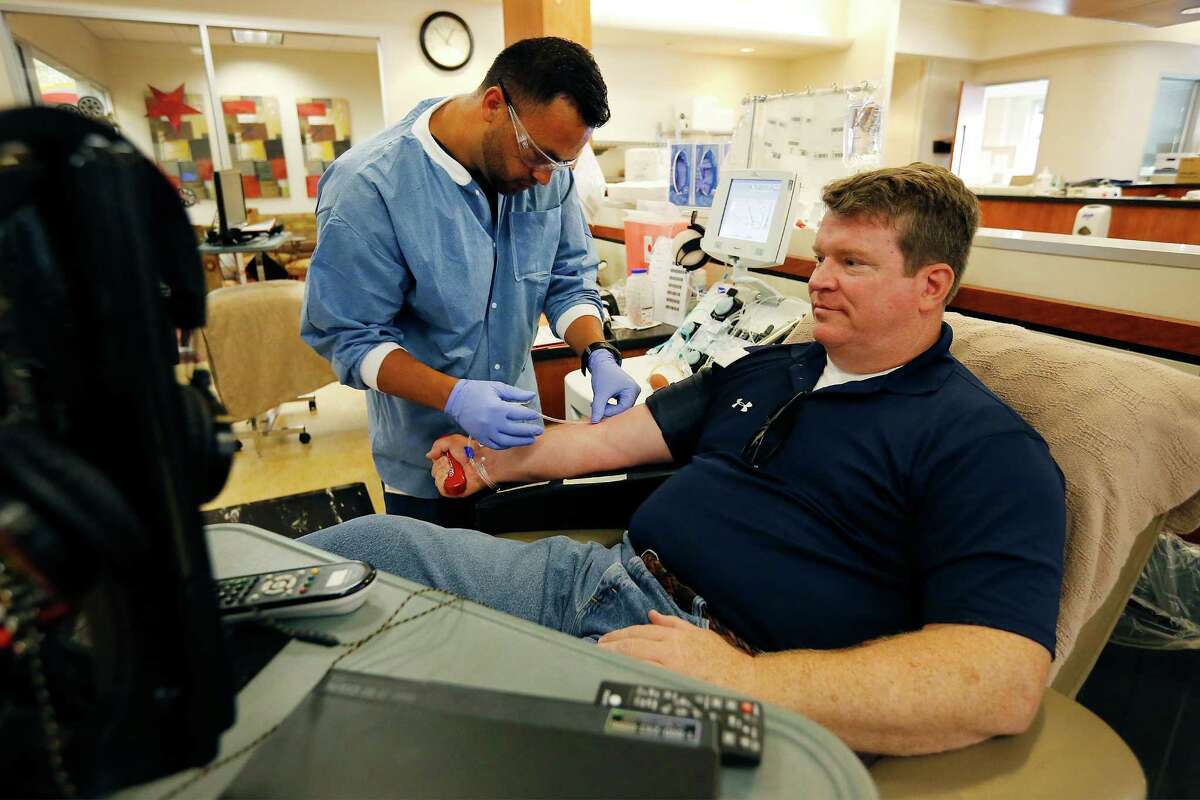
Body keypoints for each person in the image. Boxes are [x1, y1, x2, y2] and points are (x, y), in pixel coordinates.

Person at [300, 164, 1066, 756]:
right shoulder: (773, 368)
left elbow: (998, 681)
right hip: (594, 582)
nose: (820, 279)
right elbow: (603, 440)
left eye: (853, 264)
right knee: (370, 551)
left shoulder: (984, 448)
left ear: (931, 284)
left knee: (455, 746)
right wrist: (493, 462)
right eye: (821, 255)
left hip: (719, 665)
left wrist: (747, 682)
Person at [300, 38, 640, 527]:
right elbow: (348, 337)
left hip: (519, 453)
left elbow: (567, 282)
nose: (547, 179)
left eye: (562, 163)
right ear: (494, 105)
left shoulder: (548, 172)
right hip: (426, 467)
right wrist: (454, 395)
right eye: (539, 156)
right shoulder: (370, 186)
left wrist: (598, 354)